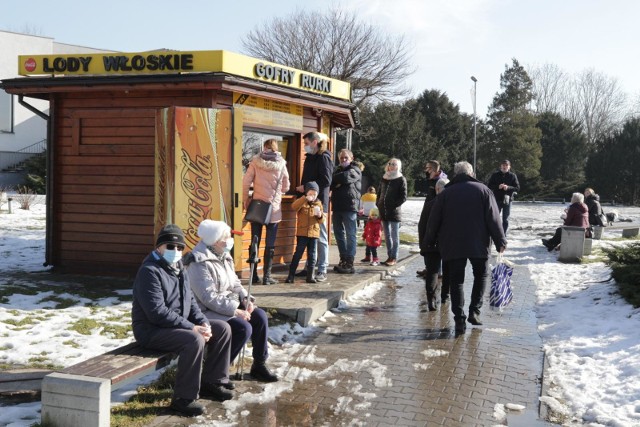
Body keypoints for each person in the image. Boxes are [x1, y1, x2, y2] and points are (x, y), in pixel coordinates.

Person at [131, 224, 234, 417]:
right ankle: (183, 399)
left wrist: (203, 322)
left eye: (179, 247)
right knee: (194, 340)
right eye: (170, 246)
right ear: (158, 248)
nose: (175, 251)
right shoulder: (149, 271)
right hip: (151, 330)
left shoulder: (179, 267)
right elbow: (157, 312)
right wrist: (191, 327)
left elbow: (191, 302)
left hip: (174, 326)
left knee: (222, 328)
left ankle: (212, 382)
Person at [185, 220, 279, 383]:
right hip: (207, 310)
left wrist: (245, 299)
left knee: (260, 316)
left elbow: (234, 282)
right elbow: (208, 297)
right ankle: (216, 373)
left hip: (227, 304)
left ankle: (259, 364)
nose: (230, 240)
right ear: (215, 241)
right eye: (226, 237)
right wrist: (236, 310)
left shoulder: (223, 255)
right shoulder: (198, 262)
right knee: (243, 328)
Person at [426, 161, 507, 336]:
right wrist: (500, 240)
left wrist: (429, 240)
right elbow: (494, 218)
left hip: (453, 244)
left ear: (456, 174)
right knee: (481, 275)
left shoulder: (446, 193)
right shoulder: (484, 191)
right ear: (471, 173)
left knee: (456, 281)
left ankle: (459, 319)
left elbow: (434, 220)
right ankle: (475, 311)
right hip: (479, 243)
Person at [242, 138, 291, 285]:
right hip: (273, 208)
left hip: (257, 207)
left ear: (264, 147)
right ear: (276, 148)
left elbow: (245, 183)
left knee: (254, 240)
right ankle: (267, 276)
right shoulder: (281, 164)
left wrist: (246, 200)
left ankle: (253, 275)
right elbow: (286, 186)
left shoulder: (256, 162)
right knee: (270, 242)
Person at [295, 132, 332, 282]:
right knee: (309, 237)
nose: (305, 147)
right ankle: (310, 267)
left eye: (307, 143)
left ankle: (322, 269)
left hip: (319, 203)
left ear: (315, 142)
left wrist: (306, 187)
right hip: (307, 202)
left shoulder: (324, 157)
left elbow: (326, 179)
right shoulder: (310, 158)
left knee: (320, 237)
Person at [419, 177, 450, 310]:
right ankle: (445, 296)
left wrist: (423, 244)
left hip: (431, 243)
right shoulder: (452, 205)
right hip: (448, 243)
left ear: (437, 190)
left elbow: (422, 225)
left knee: (432, 272)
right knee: (447, 271)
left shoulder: (429, 204)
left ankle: (431, 299)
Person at [286, 181, 325, 284]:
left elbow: (321, 221)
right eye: (310, 193)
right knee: (298, 254)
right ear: (307, 193)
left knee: (312, 255)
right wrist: (304, 198)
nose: (313, 195)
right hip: (302, 233)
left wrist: (320, 215)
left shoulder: (319, 203)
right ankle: (291, 276)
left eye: (314, 194)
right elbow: (294, 207)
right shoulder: (302, 202)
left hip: (314, 233)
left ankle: (310, 276)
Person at [330, 149, 362, 274]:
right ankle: (343, 258)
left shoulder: (356, 169)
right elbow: (331, 181)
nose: (343, 160)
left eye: (346, 158)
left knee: (350, 234)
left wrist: (337, 180)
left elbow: (346, 177)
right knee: (338, 234)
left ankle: (349, 261)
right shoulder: (337, 170)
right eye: (341, 158)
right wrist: (337, 180)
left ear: (351, 158)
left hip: (350, 206)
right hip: (337, 205)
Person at [417, 160, 447, 277]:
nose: (426, 170)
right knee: (424, 237)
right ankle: (428, 267)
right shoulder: (430, 178)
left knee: (433, 240)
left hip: (434, 213)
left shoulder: (441, 181)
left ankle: (436, 270)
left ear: (434, 170)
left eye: (428, 168)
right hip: (427, 210)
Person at [376, 157, 407, 266]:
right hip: (383, 211)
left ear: (398, 166)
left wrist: (393, 205)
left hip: (394, 212)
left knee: (394, 235)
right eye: (390, 163)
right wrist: (378, 203)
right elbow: (379, 192)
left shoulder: (401, 179)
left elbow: (403, 197)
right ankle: (389, 256)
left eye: (394, 164)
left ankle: (394, 257)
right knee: (387, 235)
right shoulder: (384, 178)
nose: (392, 166)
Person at [487, 160, 520, 235]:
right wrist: (498, 186)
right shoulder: (495, 175)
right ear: (500, 166)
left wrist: (508, 187)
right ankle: (494, 233)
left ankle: (503, 234)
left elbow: (517, 188)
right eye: (503, 165)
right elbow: (489, 186)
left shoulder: (512, 176)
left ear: (509, 167)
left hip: (507, 200)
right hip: (496, 199)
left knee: (505, 219)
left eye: (506, 165)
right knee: (495, 217)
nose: (505, 167)